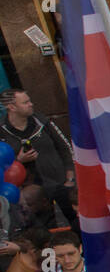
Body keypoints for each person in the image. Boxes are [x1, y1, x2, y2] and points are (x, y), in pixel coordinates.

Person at [1, 90, 76, 225]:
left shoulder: (41, 122)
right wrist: (19, 161)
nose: (31, 104)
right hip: (31, 193)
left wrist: (70, 179)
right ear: (11, 107)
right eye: (25, 102)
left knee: (74, 220)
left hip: (60, 184)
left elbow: (66, 148)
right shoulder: (2, 130)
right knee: (43, 228)